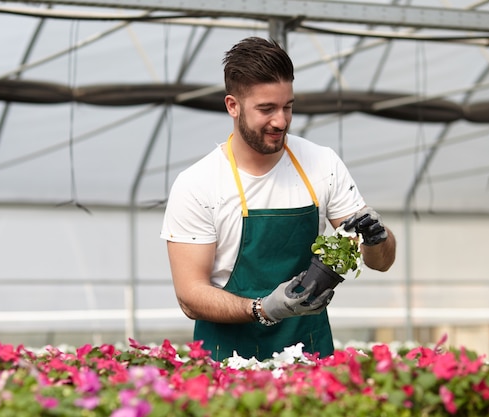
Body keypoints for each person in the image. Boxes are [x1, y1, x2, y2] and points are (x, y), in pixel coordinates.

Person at [160, 36, 396, 362]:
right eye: (266, 109)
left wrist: (377, 239)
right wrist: (262, 308)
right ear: (233, 106)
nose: (281, 121)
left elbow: (380, 262)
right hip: (226, 363)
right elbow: (189, 297)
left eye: (288, 107)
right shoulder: (198, 184)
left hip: (308, 354)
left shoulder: (321, 164)